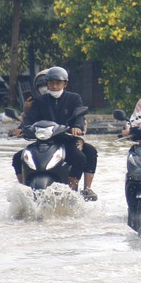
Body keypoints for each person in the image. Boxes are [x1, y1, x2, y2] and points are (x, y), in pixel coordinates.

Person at [16, 66, 99, 200]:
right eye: (51, 83)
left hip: (66, 140)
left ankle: (76, 190)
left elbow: (79, 116)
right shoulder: (39, 101)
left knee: (84, 156)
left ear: (65, 84)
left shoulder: (74, 98)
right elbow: (30, 119)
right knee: (17, 157)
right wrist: (21, 128)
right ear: (47, 84)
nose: (54, 86)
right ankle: (23, 190)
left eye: (58, 82)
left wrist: (77, 127)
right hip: (43, 141)